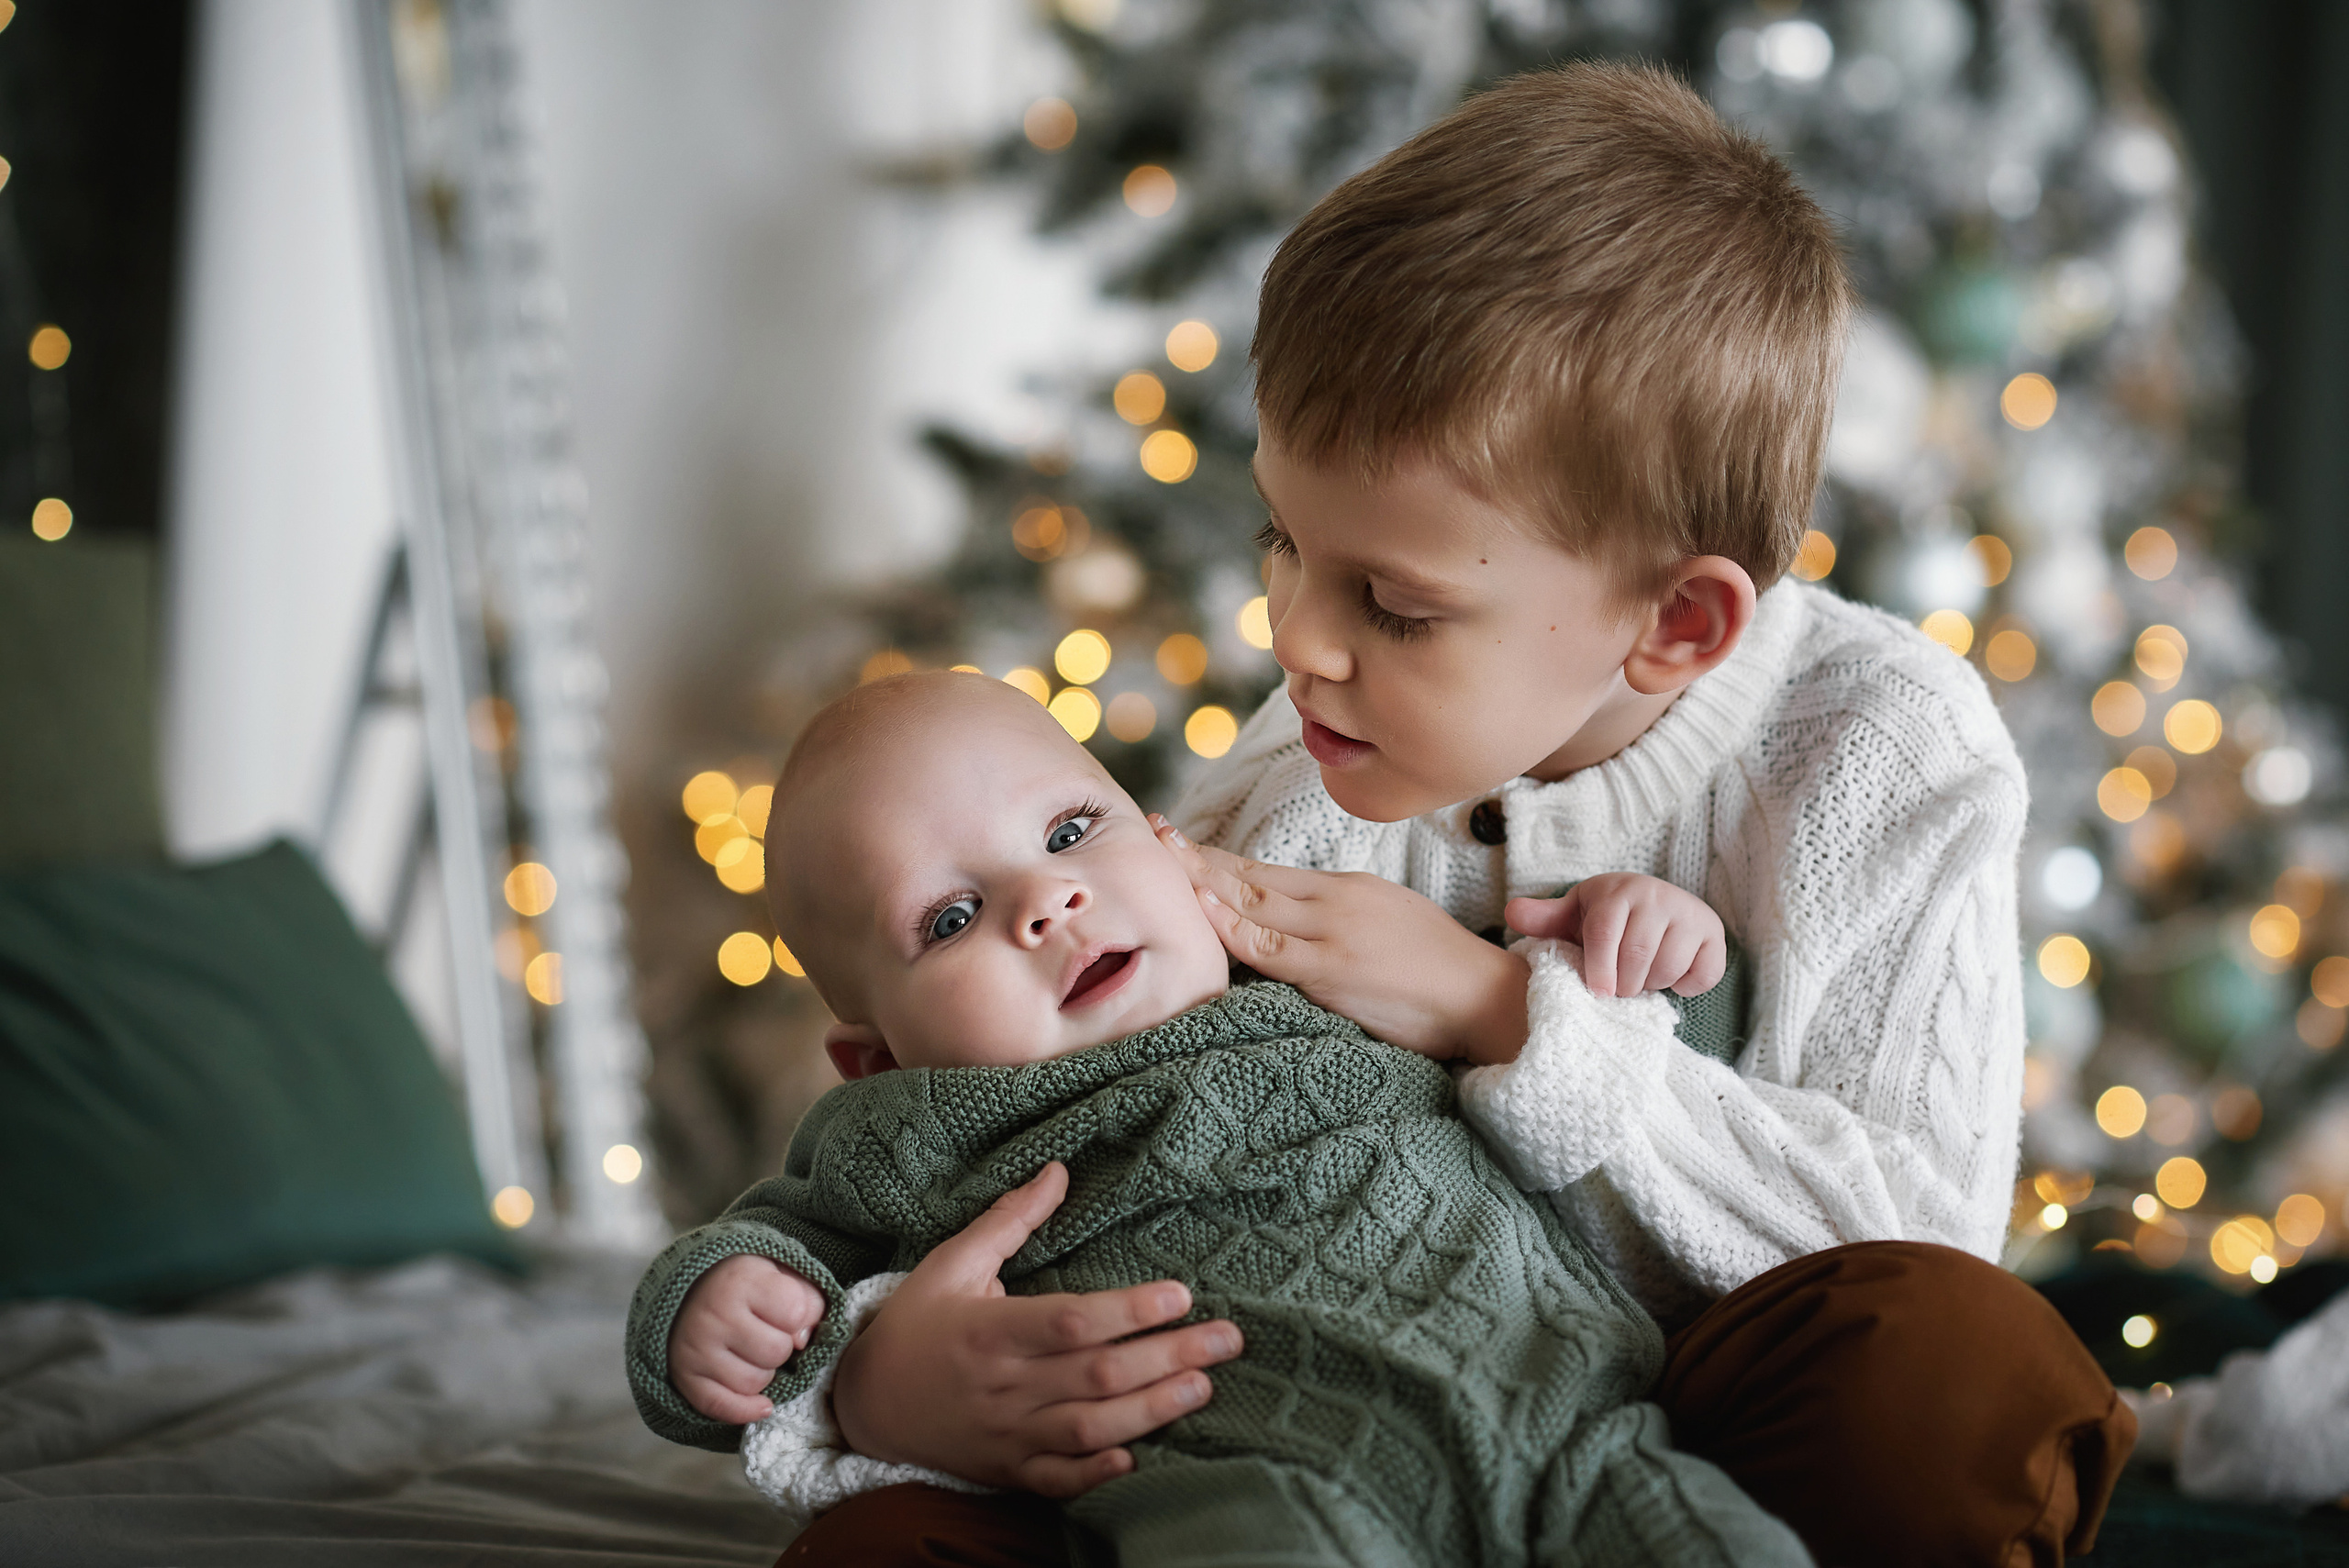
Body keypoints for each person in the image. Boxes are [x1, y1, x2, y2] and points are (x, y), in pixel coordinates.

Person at [698, 60, 2134, 1567]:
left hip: (1673, 1428)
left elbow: (1904, 1238)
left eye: (1391, 600)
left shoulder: (1881, 752)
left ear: (1678, 626)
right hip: (1298, 1451)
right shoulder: (1286, 780)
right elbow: (1066, 1147)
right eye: (1283, 544)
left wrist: (1507, 1013)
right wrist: (878, 1382)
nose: (1300, 640)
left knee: (1963, 1376)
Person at [626, 671, 1809, 1566]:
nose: (1049, 902)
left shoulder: (1334, 964)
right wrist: (706, 1311)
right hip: (1254, 1483)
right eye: (947, 919)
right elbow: (772, 1264)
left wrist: (1655, 951)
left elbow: (1627, 1084)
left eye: (1072, 832)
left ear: (1166, 840)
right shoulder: (919, 1135)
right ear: (878, 1058)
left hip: (1571, 1415)